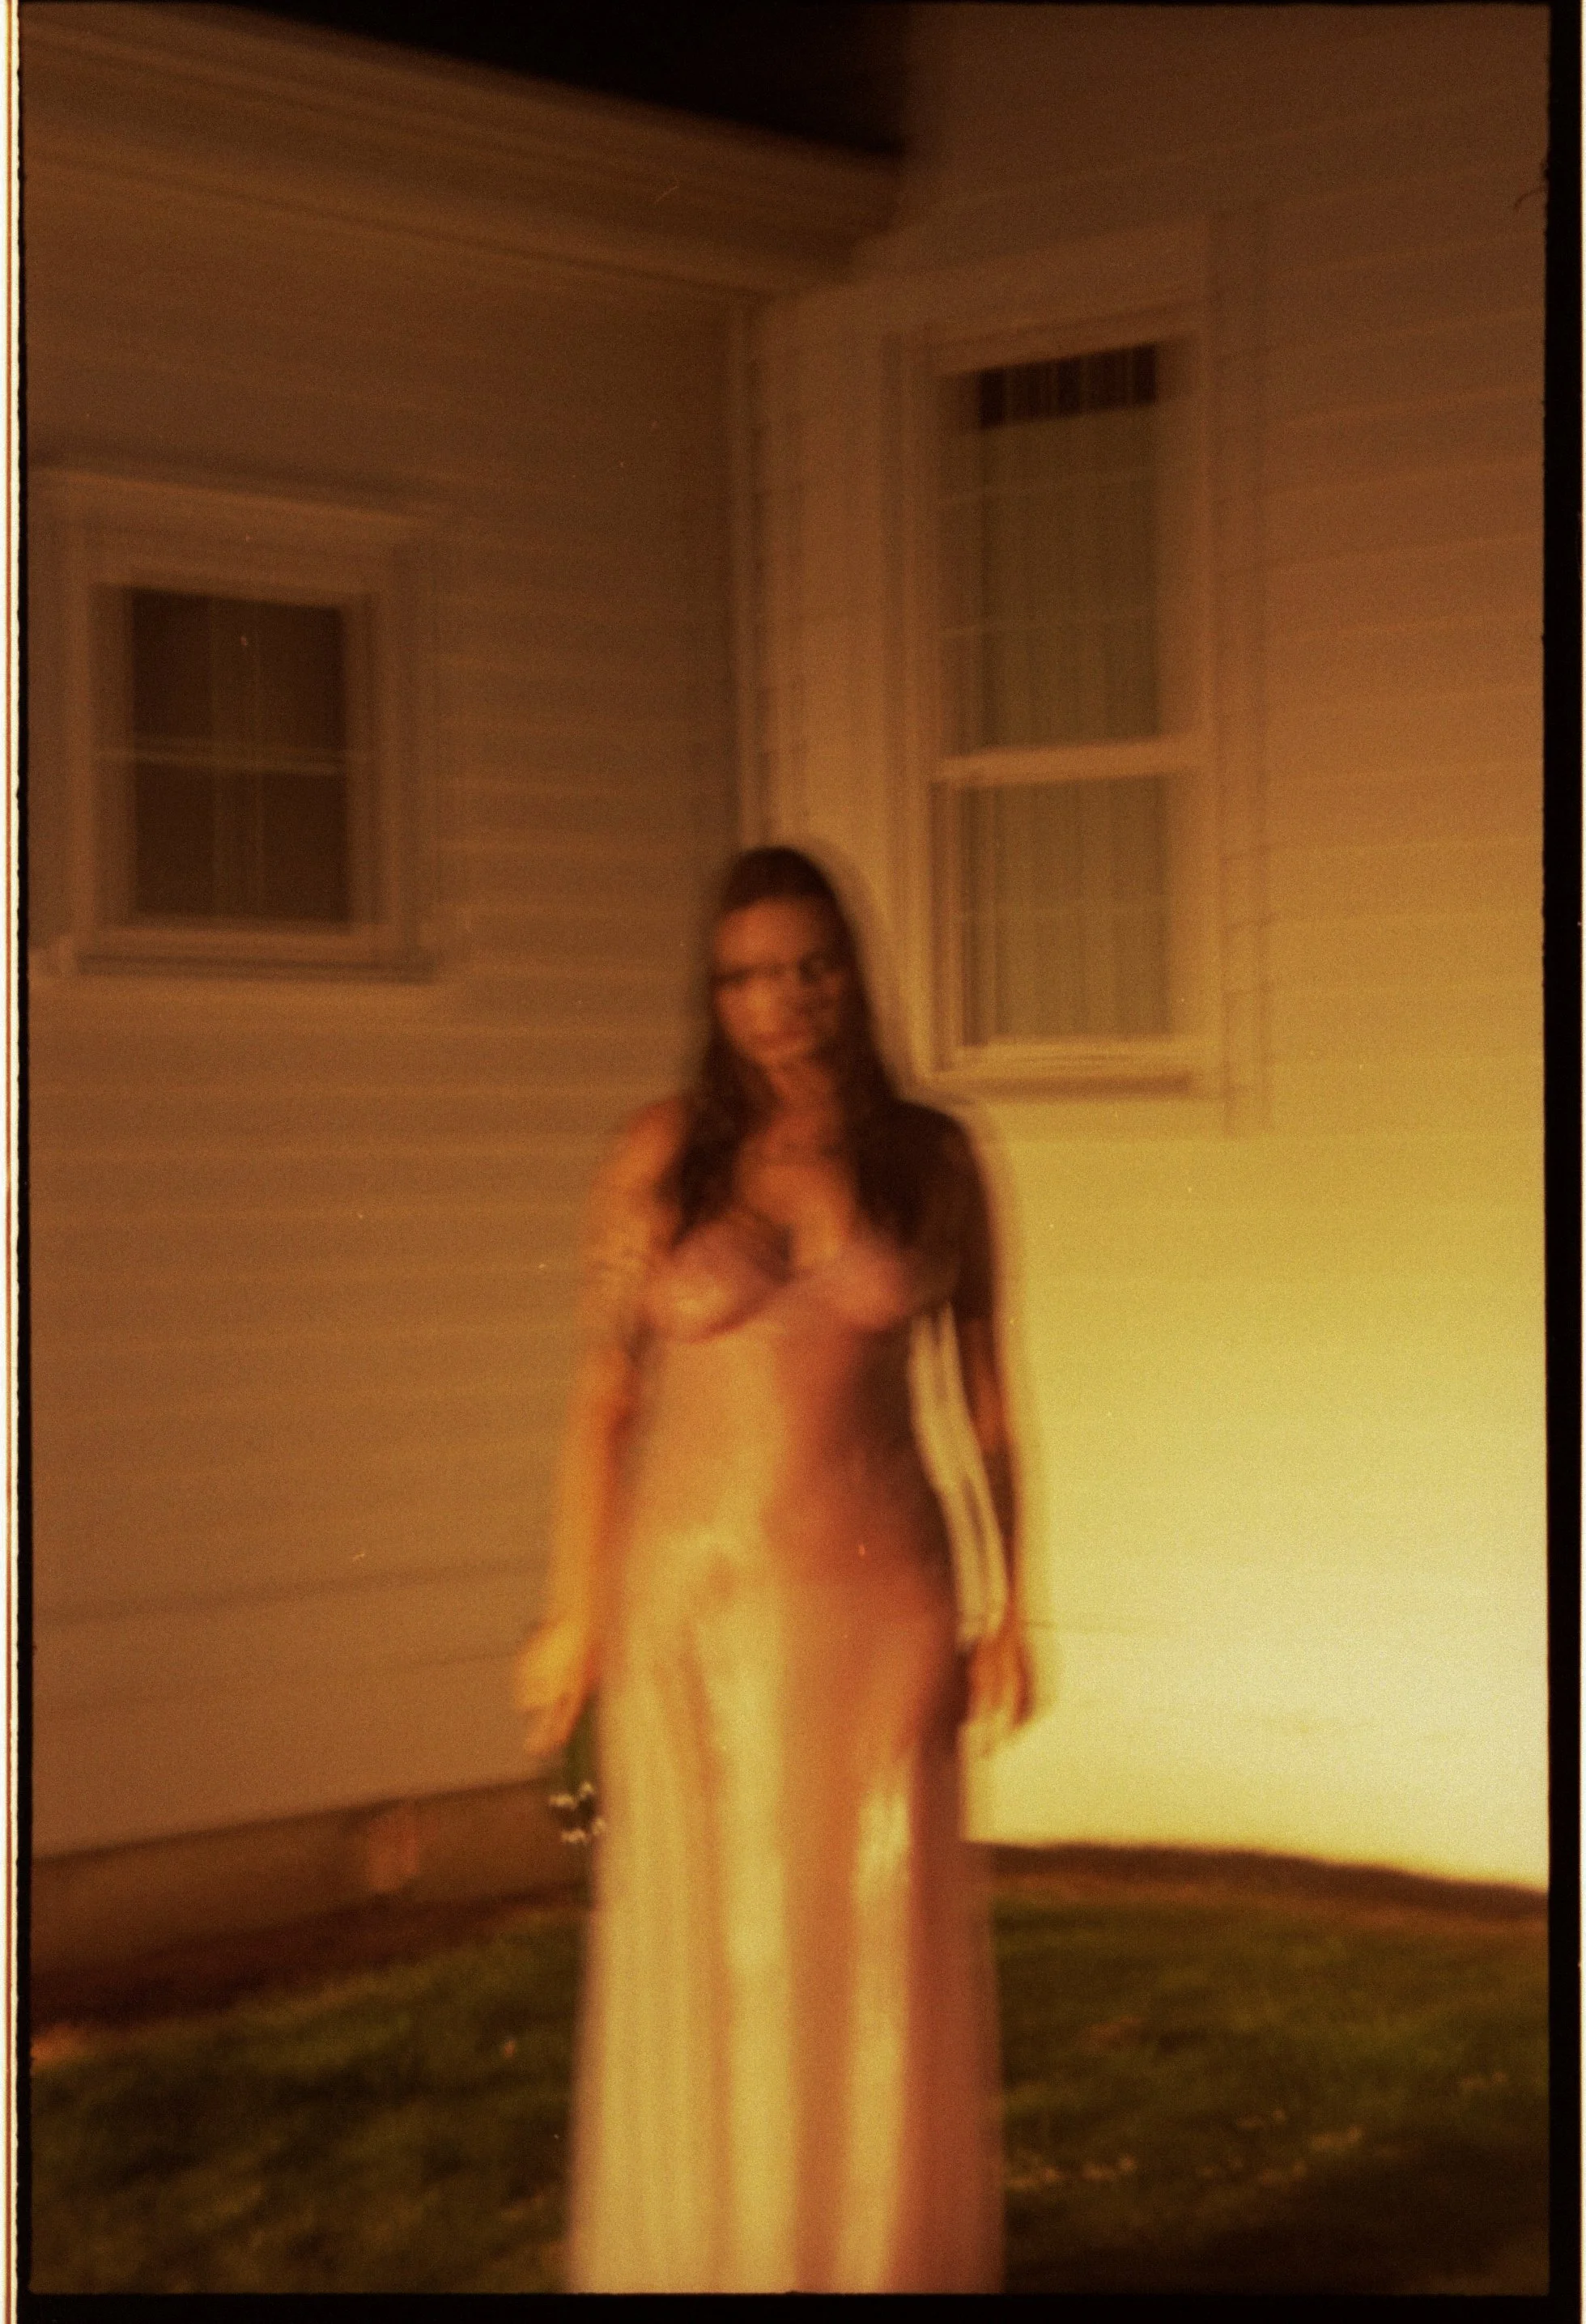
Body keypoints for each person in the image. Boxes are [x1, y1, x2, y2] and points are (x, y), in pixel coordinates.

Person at [513, 844, 1031, 2292]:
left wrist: (1009, 1604)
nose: (780, 1002)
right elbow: (602, 1402)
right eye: (746, 975)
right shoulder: (658, 1155)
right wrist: (572, 1613)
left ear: (851, 973)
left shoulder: (934, 1159)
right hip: (694, 1612)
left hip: (883, 1602)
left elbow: (986, 1400)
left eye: (808, 967)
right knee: (721, 1954)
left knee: (867, 1947)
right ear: (713, 991)